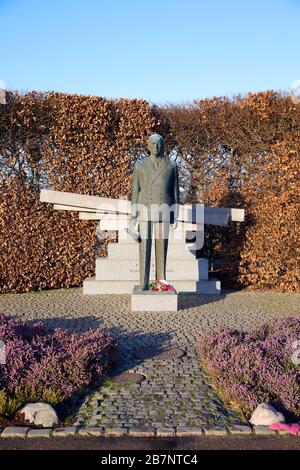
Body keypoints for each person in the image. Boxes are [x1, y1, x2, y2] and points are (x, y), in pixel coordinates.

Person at [129, 133, 179, 290]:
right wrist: (133, 216)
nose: (156, 146)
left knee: (162, 247)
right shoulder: (139, 165)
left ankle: (161, 283)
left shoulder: (171, 165)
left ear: (163, 146)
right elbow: (135, 191)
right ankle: (143, 283)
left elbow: (175, 192)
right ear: (148, 146)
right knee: (144, 248)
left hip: (164, 210)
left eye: (159, 143)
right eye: (152, 143)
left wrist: (175, 214)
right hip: (144, 209)